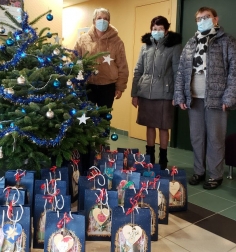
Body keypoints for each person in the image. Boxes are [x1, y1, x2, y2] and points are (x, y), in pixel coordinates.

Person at [174, 7, 236, 189]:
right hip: (194, 98)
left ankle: (215, 175)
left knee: (215, 138)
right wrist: (180, 95)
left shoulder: (227, 41)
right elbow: (181, 72)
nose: (202, 21)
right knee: (197, 137)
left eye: (206, 17)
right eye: (199, 18)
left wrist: (229, 97)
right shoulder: (191, 43)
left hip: (217, 99)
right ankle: (199, 171)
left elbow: (234, 72)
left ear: (215, 19)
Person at [131, 16, 182, 169]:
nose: (157, 31)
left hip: (165, 93)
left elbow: (177, 72)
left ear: (166, 30)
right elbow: (138, 70)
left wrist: (177, 94)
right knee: (149, 125)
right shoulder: (145, 46)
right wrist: (134, 93)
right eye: (154, 28)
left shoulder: (174, 46)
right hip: (146, 92)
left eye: (160, 29)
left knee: (163, 126)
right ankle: (150, 157)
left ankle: (164, 158)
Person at [74, 8, 129, 109]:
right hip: (87, 85)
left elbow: (122, 66)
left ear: (109, 22)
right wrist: (76, 81)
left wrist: (120, 87)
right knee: (87, 118)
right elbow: (76, 61)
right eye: (99, 18)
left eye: (106, 19)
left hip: (108, 86)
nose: (102, 21)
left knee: (104, 120)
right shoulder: (82, 40)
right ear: (94, 21)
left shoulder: (117, 42)